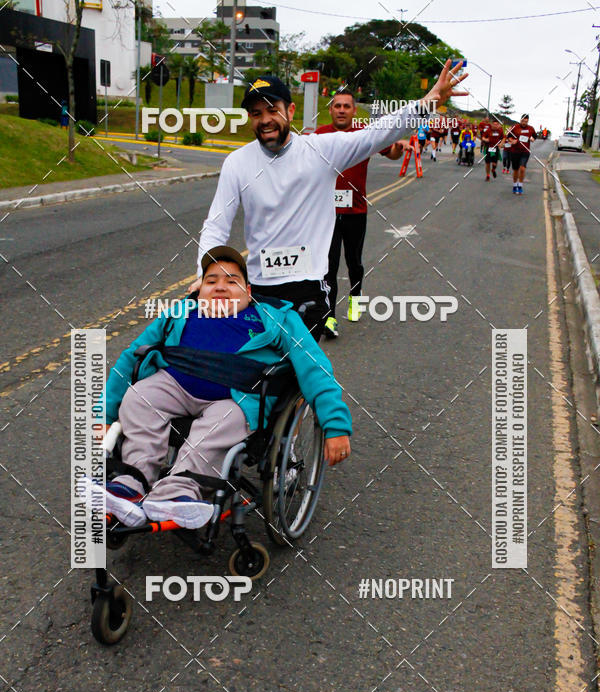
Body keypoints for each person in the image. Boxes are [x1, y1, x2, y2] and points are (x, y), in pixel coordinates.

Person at [193, 62, 468, 341]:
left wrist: (426, 104)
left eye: (273, 110)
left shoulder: (319, 150)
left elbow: (374, 135)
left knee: (299, 364)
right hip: (258, 287)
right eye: (256, 113)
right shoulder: (237, 163)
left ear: (290, 111)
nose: (265, 119)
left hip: (307, 287)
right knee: (255, 364)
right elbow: (216, 225)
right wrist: (206, 276)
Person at [90, 246, 352, 530]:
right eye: (211, 280)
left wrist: (335, 424)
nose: (220, 287)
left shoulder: (277, 317)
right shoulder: (181, 311)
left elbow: (314, 367)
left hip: (236, 397)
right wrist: (104, 414)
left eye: (231, 280)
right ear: (200, 290)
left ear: (248, 292)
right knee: (139, 398)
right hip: (174, 384)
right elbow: (131, 356)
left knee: (221, 423)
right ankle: (131, 483)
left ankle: (177, 490)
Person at [314, 88, 404, 338]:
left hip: (355, 211)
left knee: (354, 262)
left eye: (346, 106)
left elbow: (392, 153)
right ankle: (329, 317)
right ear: (331, 110)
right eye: (337, 106)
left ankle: (355, 297)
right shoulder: (319, 135)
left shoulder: (365, 134)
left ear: (354, 110)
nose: (341, 110)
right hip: (326, 214)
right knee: (328, 266)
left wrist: (398, 149)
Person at [507, 113, 537, 195]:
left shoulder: (530, 128)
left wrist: (532, 139)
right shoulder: (515, 127)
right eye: (523, 121)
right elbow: (508, 136)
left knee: (522, 168)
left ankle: (520, 186)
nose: (524, 123)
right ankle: (515, 185)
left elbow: (535, 136)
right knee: (516, 170)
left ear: (528, 121)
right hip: (515, 151)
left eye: (526, 121)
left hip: (525, 151)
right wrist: (512, 141)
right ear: (520, 120)